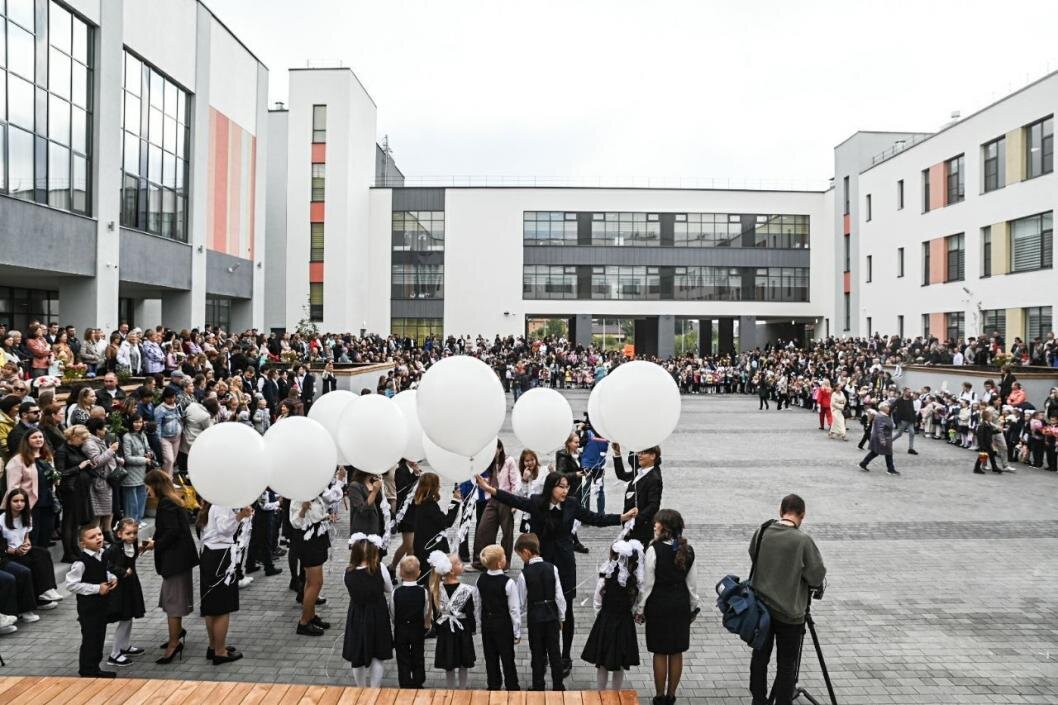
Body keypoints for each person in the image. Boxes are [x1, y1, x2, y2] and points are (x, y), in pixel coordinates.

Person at [477, 470, 636, 677]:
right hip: (539, 563)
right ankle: (541, 656)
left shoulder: (571, 504)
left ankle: (565, 655)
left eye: (567, 487)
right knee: (539, 608)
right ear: (551, 487)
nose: (565, 490)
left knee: (566, 609)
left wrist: (621, 518)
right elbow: (514, 500)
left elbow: (594, 517)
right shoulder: (536, 502)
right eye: (561, 486)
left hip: (564, 563)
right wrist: (491, 490)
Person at [748, 494, 827, 705]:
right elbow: (816, 576)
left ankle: (758, 699)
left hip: (761, 609)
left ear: (780, 510)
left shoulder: (762, 530)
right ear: (802, 514)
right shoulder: (802, 540)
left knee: (759, 658)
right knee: (786, 664)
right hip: (790, 614)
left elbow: (753, 554)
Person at [637, 509, 699, 705]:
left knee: (660, 651)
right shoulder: (687, 550)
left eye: (657, 523)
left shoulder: (653, 549)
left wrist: (640, 609)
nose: (654, 526)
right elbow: (692, 584)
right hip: (680, 603)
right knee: (676, 651)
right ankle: (672, 695)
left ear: (664, 527)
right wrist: (693, 606)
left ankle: (659, 695)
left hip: (658, 604)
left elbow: (648, 584)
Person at [146, 469, 198, 665]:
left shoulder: (167, 504)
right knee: (173, 600)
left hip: (175, 561)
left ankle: (174, 643)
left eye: (148, 487)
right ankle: (176, 635)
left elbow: (172, 532)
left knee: (173, 603)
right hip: (180, 560)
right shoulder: (174, 500)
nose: (147, 491)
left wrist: (155, 544)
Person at [581, 539, 642, 691]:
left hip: (606, 620)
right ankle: (616, 694)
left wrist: (600, 616)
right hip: (624, 622)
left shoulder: (606, 574)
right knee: (620, 663)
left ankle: (601, 693)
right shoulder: (633, 579)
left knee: (602, 662)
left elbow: (597, 599)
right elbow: (636, 601)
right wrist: (634, 612)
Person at [291, 474, 345, 636]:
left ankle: (311, 615)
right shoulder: (299, 496)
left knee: (311, 581)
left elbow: (330, 499)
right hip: (308, 541)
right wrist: (303, 510)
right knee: (316, 583)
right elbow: (295, 522)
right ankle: (304, 622)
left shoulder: (317, 492)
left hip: (318, 537)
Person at [197, 502, 251, 665]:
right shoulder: (221, 504)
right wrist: (241, 515)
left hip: (209, 554)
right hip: (220, 555)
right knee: (222, 607)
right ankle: (220, 652)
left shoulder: (209, 505)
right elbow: (224, 529)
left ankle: (214, 646)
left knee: (211, 606)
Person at [65, 524, 119, 678]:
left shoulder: (102, 554)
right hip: (88, 608)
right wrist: (96, 588)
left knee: (99, 636)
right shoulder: (81, 562)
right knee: (91, 638)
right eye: (92, 537)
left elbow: (104, 571)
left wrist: (112, 578)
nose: (99, 538)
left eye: (100, 534)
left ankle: (94, 667)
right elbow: (71, 584)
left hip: (101, 605)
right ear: (83, 543)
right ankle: (88, 669)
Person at [514, 532, 565, 691]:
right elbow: (559, 596)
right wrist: (561, 617)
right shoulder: (552, 568)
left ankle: (538, 685)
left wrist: (517, 622)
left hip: (535, 616)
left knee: (537, 653)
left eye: (520, 556)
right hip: (551, 615)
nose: (521, 559)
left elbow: (520, 602)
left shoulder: (524, 574)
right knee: (555, 652)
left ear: (526, 552)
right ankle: (558, 685)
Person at [342, 533, 394, 687]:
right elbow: (389, 588)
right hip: (377, 613)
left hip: (356, 614)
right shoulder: (380, 568)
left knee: (357, 654)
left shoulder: (347, 572)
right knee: (377, 654)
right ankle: (374, 689)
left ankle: (360, 688)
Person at [1, 488, 62, 608]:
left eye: (22, 501)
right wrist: (14, 550)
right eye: (15, 501)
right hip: (8, 552)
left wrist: (27, 544)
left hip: (22, 549)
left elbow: (26, 536)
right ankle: (37, 599)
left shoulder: (27, 516)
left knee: (43, 553)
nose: (19, 504)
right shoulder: (2, 519)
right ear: (9, 502)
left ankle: (46, 590)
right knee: (29, 563)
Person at [103, 517, 150, 667]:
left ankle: (125, 646)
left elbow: (133, 556)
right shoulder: (114, 549)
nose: (132, 536)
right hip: (120, 588)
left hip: (131, 585)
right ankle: (115, 653)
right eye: (128, 533)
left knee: (128, 617)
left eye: (134, 533)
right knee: (124, 619)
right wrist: (123, 571)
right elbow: (107, 565)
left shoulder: (133, 545)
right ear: (119, 534)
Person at [428, 550, 478, 689]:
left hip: (445, 631)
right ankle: (462, 689)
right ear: (451, 571)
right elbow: (470, 612)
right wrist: (472, 629)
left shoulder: (436, 588)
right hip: (462, 630)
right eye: (458, 563)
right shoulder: (466, 590)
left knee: (448, 662)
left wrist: (437, 630)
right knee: (463, 662)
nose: (462, 564)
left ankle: (450, 690)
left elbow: (436, 614)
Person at [476, 543, 521, 691]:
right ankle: (512, 685)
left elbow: (478, 604)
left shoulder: (480, 580)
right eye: (504, 556)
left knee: (490, 657)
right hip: (503, 625)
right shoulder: (508, 583)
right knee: (508, 657)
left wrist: (479, 622)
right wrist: (517, 632)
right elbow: (514, 609)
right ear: (500, 563)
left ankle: (493, 685)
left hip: (487, 624)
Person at [6, 429, 58, 548]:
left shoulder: (47, 457)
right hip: (29, 505)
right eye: (34, 437)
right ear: (27, 441)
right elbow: (13, 487)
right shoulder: (18, 460)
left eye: (40, 437)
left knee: (45, 536)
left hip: (48, 502)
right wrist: (18, 505)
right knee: (31, 538)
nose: (39, 439)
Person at [473, 439, 519, 569]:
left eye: (494, 449)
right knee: (484, 529)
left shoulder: (509, 461)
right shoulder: (489, 463)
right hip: (492, 499)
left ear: (500, 449)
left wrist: (514, 503)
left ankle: (505, 563)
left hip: (506, 499)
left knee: (507, 533)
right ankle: (481, 561)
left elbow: (515, 482)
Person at [54, 425, 95, 562]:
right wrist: (79, 467)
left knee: (76, 521)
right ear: (74, 437)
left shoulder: (77, 449)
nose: (84, 441)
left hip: (81, 489)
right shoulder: (62, 451)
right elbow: (60, 473)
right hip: (70, 490)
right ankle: (68, 552)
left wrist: (89, 465)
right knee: (69, 521)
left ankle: (74, 547)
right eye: (82, 438)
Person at [611, 444, 663, 546]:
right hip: (630, 525)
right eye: (639, 452)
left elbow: (653, 505)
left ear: (652, 456)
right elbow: (622, 475)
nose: (639, 455)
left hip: (640, 529)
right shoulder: (640, 471)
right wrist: (617, 453)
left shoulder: (654, 477)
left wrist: (635, 521)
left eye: (643, 453)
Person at [411, 473, 460, 580]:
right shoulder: (429, 505)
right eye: (438, 484)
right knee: (431, 579)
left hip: (420, 545)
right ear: (433, 487)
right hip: (431, 548)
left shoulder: (419, 502)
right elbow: (446, 522)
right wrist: (455, 501)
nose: (439, 487)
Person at [392, 555, 430, 689]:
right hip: (417, 628)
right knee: (418, 654)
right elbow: (425, 610)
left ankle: (405, 680)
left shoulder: (396, 592)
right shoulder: (422, 591)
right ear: (419, 573)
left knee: (402, 656)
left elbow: (393, 610)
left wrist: (396, 621)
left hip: (401, 629)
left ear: (400, 573)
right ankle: (418, 680)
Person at [84, 418, 121, 542]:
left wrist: (117, 458)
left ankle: (104, 533)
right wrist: (111, 450)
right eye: (103, 428)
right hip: (99, 481)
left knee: (107, 510)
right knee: (98, 513)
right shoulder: (89, 443)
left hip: (108, 480)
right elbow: (97, 461)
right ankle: (96, 537)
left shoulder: (99, 441)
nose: (106, 430)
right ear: (97, 430)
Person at [388, 459, 420, 575]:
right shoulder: (400, 470)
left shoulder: (412, 470)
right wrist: (416, 475)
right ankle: (394, 567)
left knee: (409, 546)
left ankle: (404, 570)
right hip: (405, 513)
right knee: (409, 545)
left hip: (413, 511)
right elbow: (407, 490)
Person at [859, 401, 899, 475]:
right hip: (883, 438)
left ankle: (863, 463)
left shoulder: (883, 415)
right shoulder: (881, 416)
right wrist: (882, 440)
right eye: (887, 407)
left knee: (875, 452)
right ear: (882, 408)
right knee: (888, 453)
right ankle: (890, 469)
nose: (888, 408)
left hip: (883, 437)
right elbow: (880, 429)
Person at [153, 388, 183, 475]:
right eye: (169, 398)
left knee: (173, 460)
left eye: (173, 397)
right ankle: (166, 480)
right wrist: (158, 439)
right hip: (165, 438)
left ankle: (170, 479)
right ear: (165, 397)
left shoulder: (177, 406)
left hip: (177, 437)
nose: (172, 399)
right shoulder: (160, 409)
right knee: (169, 460)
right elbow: (157, 425)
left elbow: (180, 418)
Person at [890, 387, 919, 455]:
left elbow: (912, 410)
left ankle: (910, 448)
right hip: (902, 420)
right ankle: (889, 442)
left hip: (910, 420)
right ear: (904, 392)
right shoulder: (899, 400)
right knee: (899, 434)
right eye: (909, 392)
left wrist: (915, 420)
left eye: (910, 392)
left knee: (912, 433)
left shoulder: (910, 400)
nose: (910, 393)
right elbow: (892, 406)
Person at [974, 409, 1002, 475]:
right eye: (991, 417)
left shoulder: (988, 424)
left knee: (991, 455)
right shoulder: (982, 425)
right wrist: (982, 445)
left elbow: (990, 432)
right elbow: (980, 436)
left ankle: (994, 467)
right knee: (982, 456)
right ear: (987, 417)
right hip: (984, 444)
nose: (991, 418)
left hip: (988, 443)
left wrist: (999, 431)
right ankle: (976, 468)